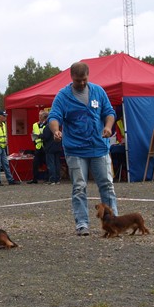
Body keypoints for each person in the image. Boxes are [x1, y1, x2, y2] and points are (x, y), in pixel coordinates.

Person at [47, 61, 118, 236]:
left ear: (88, 76)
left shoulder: (98, 91)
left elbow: (109, 112)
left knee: (107, 185)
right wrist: (56, 131)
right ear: (72, 77)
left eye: (84, 79)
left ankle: (113, 221)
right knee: (79, 187)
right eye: (78, 80)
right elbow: (54, 116)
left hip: (99, 147)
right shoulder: (63, 96)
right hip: (75, 150)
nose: (82, 83)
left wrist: (108, 127)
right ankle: (82, 224)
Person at [0, 111, 20, 186]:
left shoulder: (4, 125)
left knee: (6, 164)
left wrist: (6, 142)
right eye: (4, 116)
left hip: (2, 147)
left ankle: (10, 180)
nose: (5, 117)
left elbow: (4, 136)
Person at [28, 110, 48, 184]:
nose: (39, 117)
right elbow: (33, 134)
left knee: (47, 163)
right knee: (35, 163)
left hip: (45, 146)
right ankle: (34, 179)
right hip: (38, 146)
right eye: (39, 115)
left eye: (41, 115)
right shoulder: (35, 125)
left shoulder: (47, 124)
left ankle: (47, 178)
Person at [41, 118, 63, 185]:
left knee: (51, 164)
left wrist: (40, 136)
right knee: (57, 163)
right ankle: (57, 179)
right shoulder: (58, 126)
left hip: (50, 148)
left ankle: (52, 179)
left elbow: (46, 137)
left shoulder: (48, 127)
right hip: (58, 147)